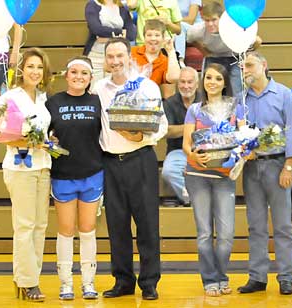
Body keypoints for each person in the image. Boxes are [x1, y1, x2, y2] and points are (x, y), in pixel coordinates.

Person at [93, 37, 168, 300]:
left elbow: (161, 125)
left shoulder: (146, 86)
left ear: (129, 57)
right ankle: (123, 280)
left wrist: (141, 137)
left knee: (147, 224)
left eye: (120, 56)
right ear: (105, 60)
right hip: (110, 163)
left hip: (141, 159)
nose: (115, 62)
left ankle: (149, 282)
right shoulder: (99, 88)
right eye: (110, 57)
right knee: (117, 225)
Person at [237, 51, 292, 296]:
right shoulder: (241, 100)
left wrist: (289, 166)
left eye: (250, 65)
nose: (246, 71)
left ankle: (286, 276)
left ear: (264, 65)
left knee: (283, 225)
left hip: (278, 166)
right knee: (255, 225)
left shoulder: (284, 95)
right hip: (252, 167)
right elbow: (239, 133)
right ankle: (257, 276)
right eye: (243, 67)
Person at [183, 63, 244, 296]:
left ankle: (221, 274)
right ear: (203, 81)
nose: (212, 82)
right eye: (208, 77)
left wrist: (238, 153)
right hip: (197, 175)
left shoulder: (235, 109)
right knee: (205, 233)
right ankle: (211, 279)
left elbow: (242, 140)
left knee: (226, 235)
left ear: (225, 82)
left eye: (218, 79)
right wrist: (195, 156)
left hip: (224, 176)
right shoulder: (195, 110)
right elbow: (187, 145)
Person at [45, 56, 103, 300]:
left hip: (92, 173)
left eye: (84, 73)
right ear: (66, 75)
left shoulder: (97, 102)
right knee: (66, 230)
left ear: (90, 78)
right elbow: (43, 135)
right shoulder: (53, 103)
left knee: (88, 230)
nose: (79, 76)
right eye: (74, 72)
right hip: (63, 174)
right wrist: (49, 141)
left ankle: (88, 282)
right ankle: (66, 283)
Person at [0, 48, 52, 301]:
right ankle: (28, 282)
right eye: (30, 66)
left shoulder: (42, 97)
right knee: (25, 225)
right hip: (20, 169)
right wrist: (29, 141)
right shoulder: (10, 97)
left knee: (40, 225)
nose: (35, 71)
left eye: (39, 67)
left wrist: (49, 141)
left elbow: (41, 132)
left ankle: (28, 277)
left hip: (43, 166)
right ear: (21, 70)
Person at [187, 1, 262, 96]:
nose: (210, 24)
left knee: (236, 91)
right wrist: (204, 51)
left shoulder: (234, 28)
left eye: (214, 20)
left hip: (234, 58)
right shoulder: (197, 30)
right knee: (208, 91)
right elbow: (190, 39)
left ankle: (236, 109)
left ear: (221, 18)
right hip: (213, 57)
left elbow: (258, 41)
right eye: (207, 20)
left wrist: (245, 54)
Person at [161, 66, 199, 205]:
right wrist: (192, 126)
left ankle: (200, 197)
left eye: (190, 82)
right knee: (168, 171)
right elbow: (167, 131)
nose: (186, 86)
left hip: (203, 149)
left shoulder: (205, 100)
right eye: (182, 82)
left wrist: (182, 129)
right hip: (177, 151)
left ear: (197, 83)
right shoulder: (169, 103)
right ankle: (192, 199)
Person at [84, 0, 137, 86]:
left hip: (117, 58)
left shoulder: (121, 7)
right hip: (96, 56)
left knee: (114, 89)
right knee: (95, 89)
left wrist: (106, 37)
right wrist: (120, 32)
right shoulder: (92, 5)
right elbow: (96, 29)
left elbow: (131, 34)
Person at [130, 19, 180, 98]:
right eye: (149, 35)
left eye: (157, 35)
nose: (153, 38)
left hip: (151, 101)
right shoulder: (132, 52)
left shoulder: (165, 61)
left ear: (163, 38)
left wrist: (171, 51)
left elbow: (174, 77)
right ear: (144, 37)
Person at [174, 0, 202, 67]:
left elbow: (191, 20)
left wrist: (172, 21)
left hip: (194, 27)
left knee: (180, 26)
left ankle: (180, 60)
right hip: (176, 26)